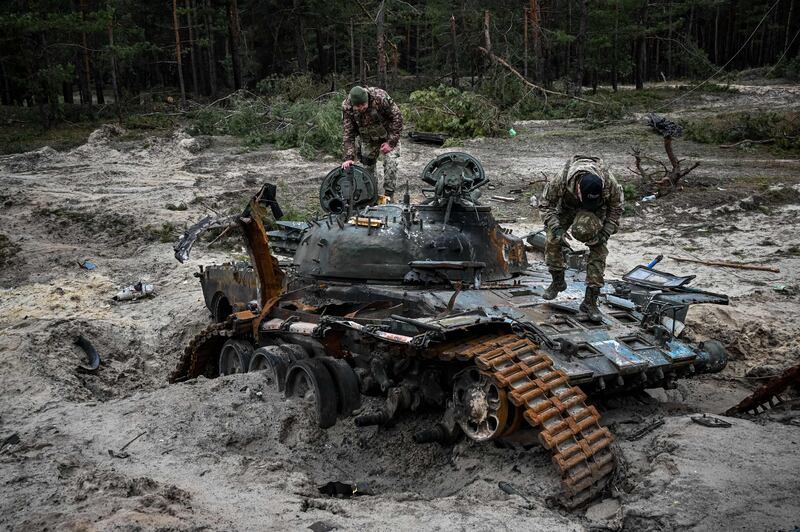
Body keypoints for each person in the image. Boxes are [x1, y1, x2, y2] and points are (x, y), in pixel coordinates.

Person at [538, 155, 624, 322]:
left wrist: (604, 233)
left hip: (597, 210)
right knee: (552, 240)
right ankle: (558, 281)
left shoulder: (609, 182)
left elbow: (616, 208)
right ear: (578, 188)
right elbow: (545, 204)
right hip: (567, 206)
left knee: (599, 250)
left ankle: (590, 301)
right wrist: (556, 228)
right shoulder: (561, 180)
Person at [341, 85, 403, 199]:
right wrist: (349, 157)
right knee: (367, 167)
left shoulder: (380, 97)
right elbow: (348, 132)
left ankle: (389, 195)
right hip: (367, 138)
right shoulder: (347, 107)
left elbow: (397, 117)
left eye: (363, 105)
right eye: (357, 106)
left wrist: (391, 142)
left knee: (391, 163)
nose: (361, 108)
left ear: (367, 100)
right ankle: (372, 195)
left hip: (388, 135)